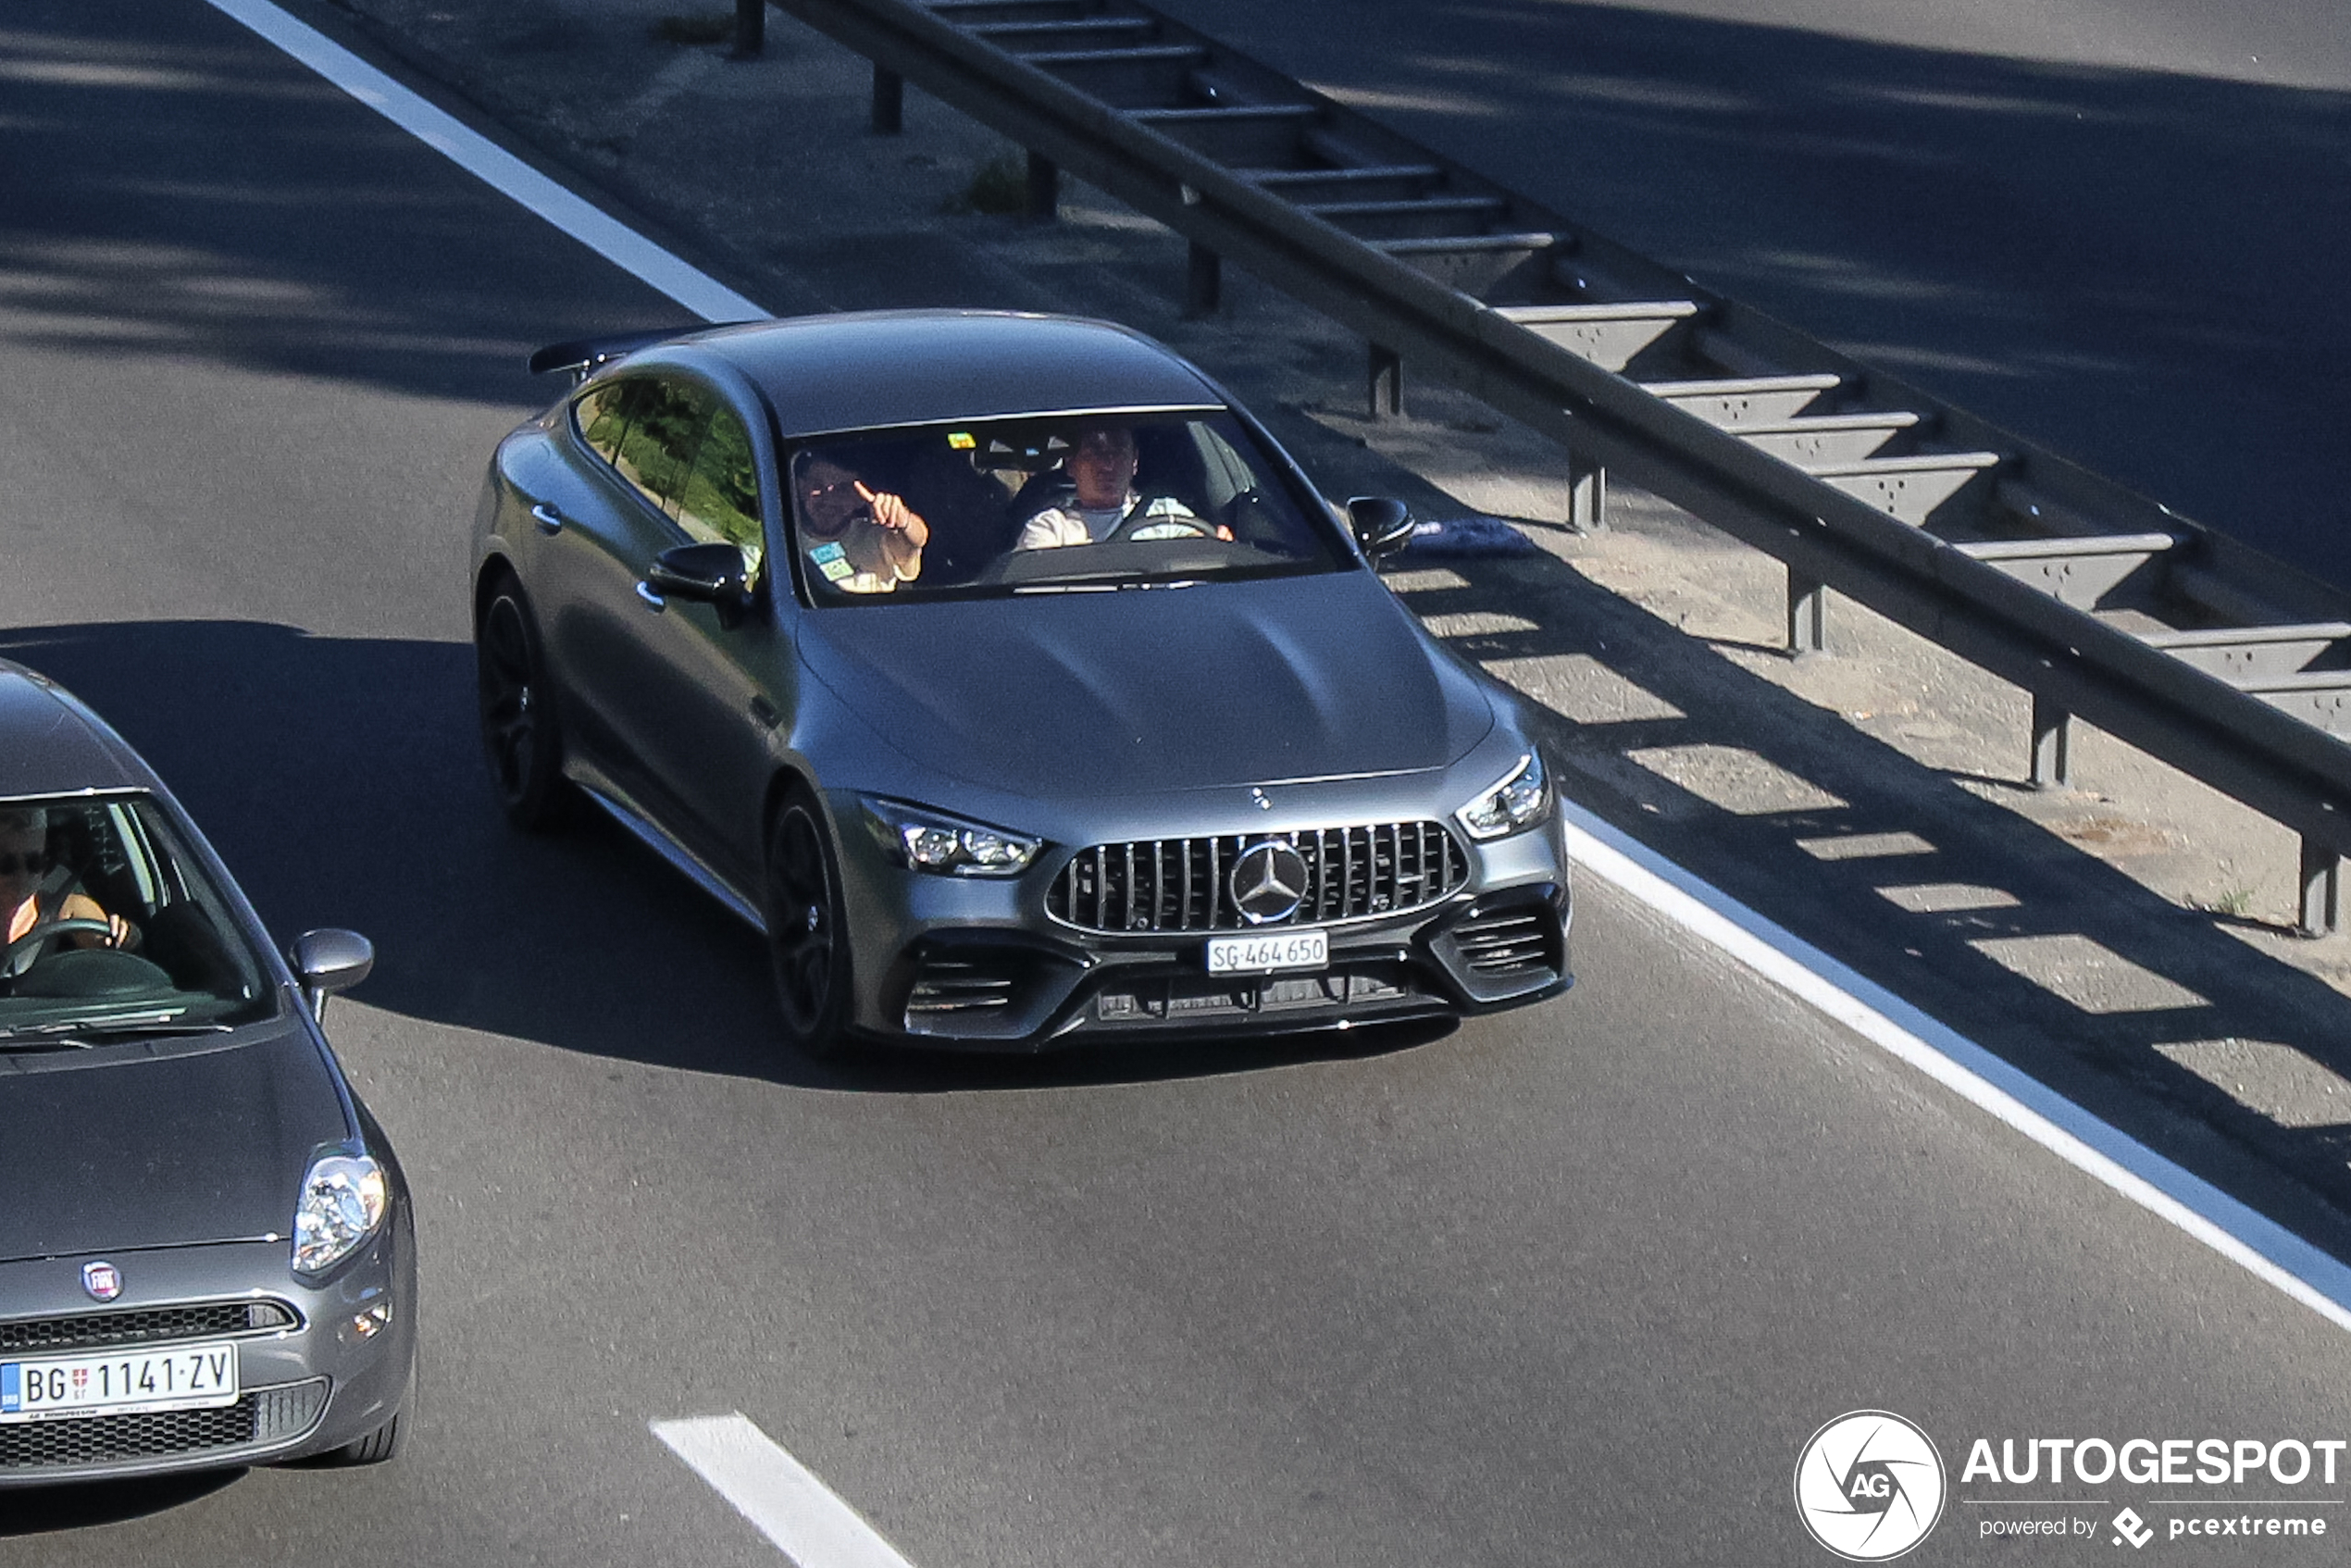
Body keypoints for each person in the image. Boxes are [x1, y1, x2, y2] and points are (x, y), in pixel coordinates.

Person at [1014, 426, 1227, 549]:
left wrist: (1217, 546)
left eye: (1118, 451)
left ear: (1134, 461)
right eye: (1095, 452)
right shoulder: (1051, 529)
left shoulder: (1168, 515)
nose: (1108, 465)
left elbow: (1203, 563)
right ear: (1071, 464)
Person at [0, 806, 138, 978]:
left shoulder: (67, 908)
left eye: (34, 863)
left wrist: (119, 938)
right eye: (5, 864)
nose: (22, 877)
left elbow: (101, 941)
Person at [795, 454, 927, 593]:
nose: (829, 499)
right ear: (802, 488)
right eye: (817, 485)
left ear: (859, 498)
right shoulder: (783, 541)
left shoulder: (877, 536)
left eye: (842, 489)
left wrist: (904, 520)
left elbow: (916, 540)